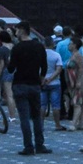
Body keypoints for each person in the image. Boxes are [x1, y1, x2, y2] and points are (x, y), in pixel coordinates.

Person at [7, 21, 50, 156]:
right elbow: (44, 66)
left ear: (22, 30)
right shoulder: (39, 46)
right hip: (34, 84)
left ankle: (28, 146)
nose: (15, 33)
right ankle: (40, 144)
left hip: (20, 83)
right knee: (36, 116)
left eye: (17, 30)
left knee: (24, 117)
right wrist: (41, 79)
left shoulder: (17, 48)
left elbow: (11, 68)